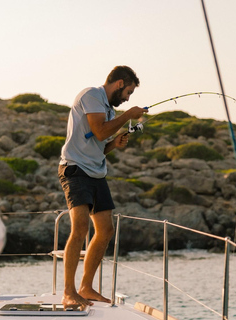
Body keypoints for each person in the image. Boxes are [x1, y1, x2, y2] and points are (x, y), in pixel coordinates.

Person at [58, 66, 148, 308]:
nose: (128, 98)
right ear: (119, 83)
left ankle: (86, 287)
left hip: (96, 172)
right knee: (80, 228)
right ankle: (69, 291)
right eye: (128, 92)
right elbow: (98, 132)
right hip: (75, 169)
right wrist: (128, 115)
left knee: (106, 230)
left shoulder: (108, 109)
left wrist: (114, 144)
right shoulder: (91, 95)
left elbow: (101, 143)